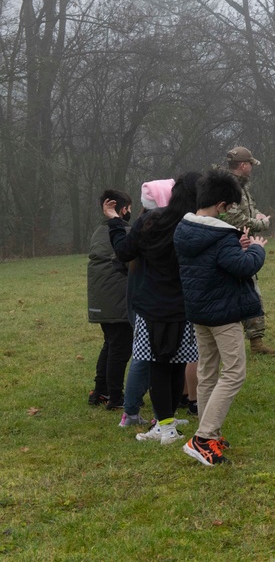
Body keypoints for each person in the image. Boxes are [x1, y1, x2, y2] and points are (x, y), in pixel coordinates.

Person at [175, 169, 267, 466]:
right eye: (229, 208)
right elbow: (242, 267)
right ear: (222, 206)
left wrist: (234, 248)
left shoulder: (185, 229)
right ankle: (203, 438)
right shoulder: (221, 234)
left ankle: (208, 431)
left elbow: (214, 260)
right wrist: (256, 250)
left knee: (208, 372)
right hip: (223, 313)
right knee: (235, 372)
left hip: (199, 311)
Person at [105, 172, 201, 445]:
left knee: (160, 366)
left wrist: (115, 223)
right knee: (174, 365)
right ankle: (166, 419)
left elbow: (124, 252)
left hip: (154, 306)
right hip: (182, 306)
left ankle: (166, 425)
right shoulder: (192, 224)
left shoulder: (150, 222)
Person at [118, 179, 174, 428]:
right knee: (143, 357)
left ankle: (145, 411)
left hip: (140, 298)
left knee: (147, 356)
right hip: (146, 302)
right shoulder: (153, 228)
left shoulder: (143, 225)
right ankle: (130, 412)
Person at [222, 146, 275, 356]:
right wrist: (262, 224)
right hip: (231, 248)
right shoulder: (227, 187)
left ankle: (256, 342)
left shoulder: (240, 186)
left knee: (250, 292)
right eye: (251, 165)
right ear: (243, 165)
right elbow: (233, 218)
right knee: (247, 294)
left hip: (241, 246)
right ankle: (245, 344)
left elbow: (249, 209)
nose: (252, 169)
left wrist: (257, 215)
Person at [87, 189, 133, 410]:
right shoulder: (124, 231)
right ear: (123, 209)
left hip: (101, 300)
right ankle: (115, 398)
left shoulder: (97, 231)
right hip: (118, 301)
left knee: (110, 344)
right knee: (120, 350)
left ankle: (100, 391)